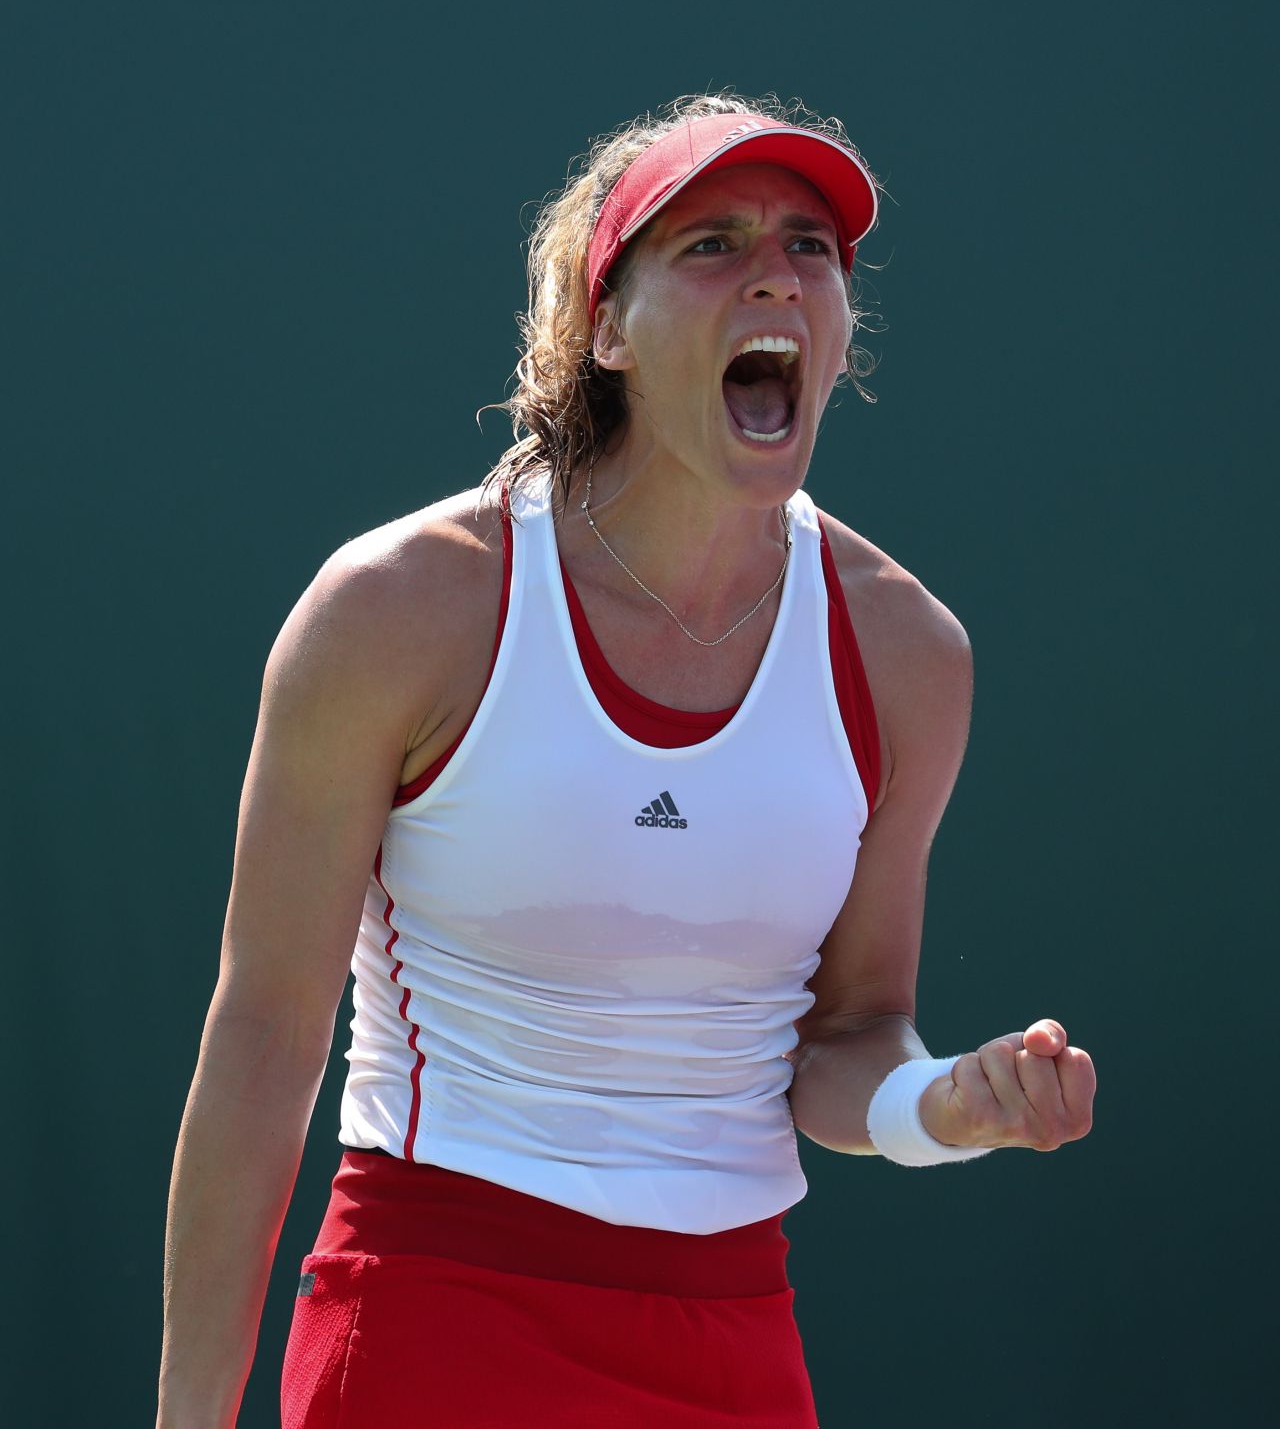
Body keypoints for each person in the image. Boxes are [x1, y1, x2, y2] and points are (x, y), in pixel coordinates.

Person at [158, 93, 1096, 1428]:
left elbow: (843, 1038)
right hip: (429, 1311)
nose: (775, 268)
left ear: (835, 334)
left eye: (810, 247)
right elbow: (264, 1040)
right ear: (607, 330)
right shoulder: (397, 610)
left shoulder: (907, 655)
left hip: (733, 1340)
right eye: (710, 242)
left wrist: (942, 1105)